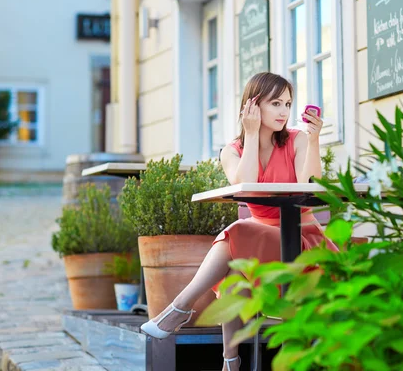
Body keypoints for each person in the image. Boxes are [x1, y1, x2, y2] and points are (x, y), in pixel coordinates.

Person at [140, 72, 338, 371]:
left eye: (287, 103)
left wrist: (313, 141)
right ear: (253, 106)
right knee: (233, 281)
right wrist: (252, 134)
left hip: (304, 242)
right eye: (275, 103)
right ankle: (230, 364)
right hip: (264, 245)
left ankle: (180, 307)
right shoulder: (232, 150)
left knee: (237, 231)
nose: (284, 112)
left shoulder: (296, 139)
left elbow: (310, 185)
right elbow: (245, 185)